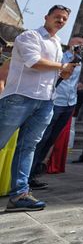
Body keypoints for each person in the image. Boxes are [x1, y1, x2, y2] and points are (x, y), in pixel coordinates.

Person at [0, 5, 76, 211]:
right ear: (46, 17)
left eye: (64, 19)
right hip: (19, 97)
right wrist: (62, 67)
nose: (60, 21)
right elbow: (34, 62)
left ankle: (19, 195)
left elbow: (50, 73)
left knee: (28, 147)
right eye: (57, 17)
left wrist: (63, 74)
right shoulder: (29, 37)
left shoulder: (57, 44)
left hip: (45, 100)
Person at [29, 34, 83, 189]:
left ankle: (33, 174)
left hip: (69, 103)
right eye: (79, 43)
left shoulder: (80, 61)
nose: (82, 46)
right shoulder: (59, 56)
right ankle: (27, 174)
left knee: (50, 139)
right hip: (55, 101)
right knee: (42, 137)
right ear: (71, 44)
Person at [0, 56, 19, 197]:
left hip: (20, 108)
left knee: (11, 146)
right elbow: (1, 81)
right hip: (8, 104)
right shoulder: (12, 60)